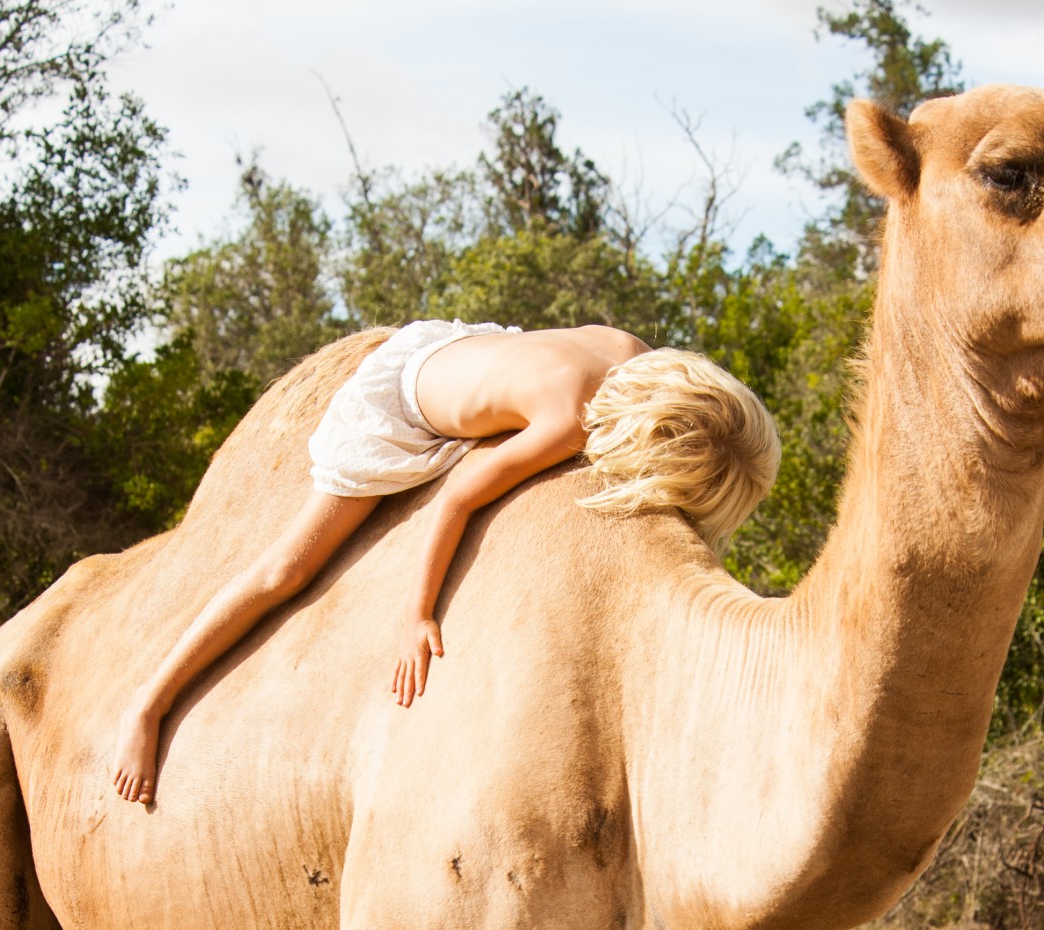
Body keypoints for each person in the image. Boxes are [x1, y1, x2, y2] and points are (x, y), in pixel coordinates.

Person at [110, 320, 780, 804]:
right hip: (398, 406)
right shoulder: (569, 419)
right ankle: (150, 701)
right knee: (286, 570)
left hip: (449, 344)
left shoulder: (635, 354)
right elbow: (455, 501)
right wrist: (418, 612)